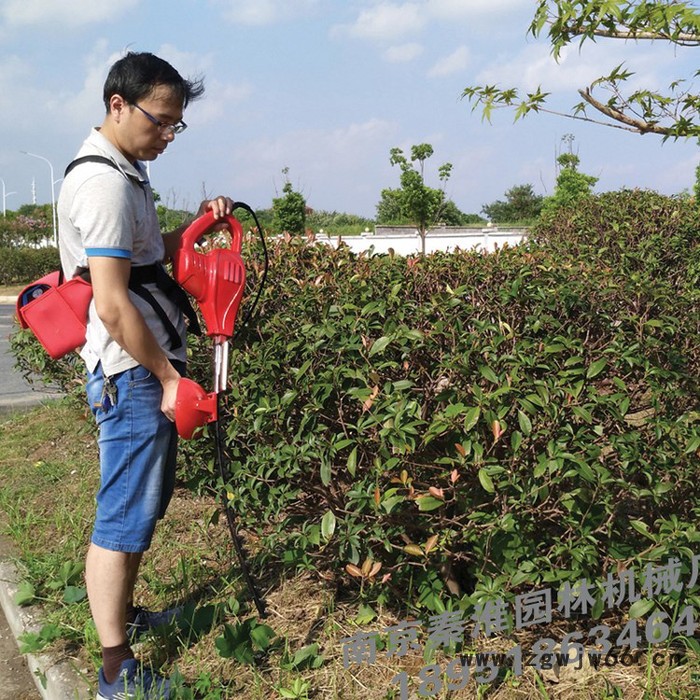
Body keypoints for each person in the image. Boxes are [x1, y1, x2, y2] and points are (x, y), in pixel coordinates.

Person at [57, 51, 233, 700]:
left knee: (138, 508)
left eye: (176, 126)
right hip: (131, 374)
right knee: (122, 518)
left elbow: (145, 262)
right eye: (161, 122)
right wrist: (166, 379)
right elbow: (110, 301)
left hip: (139, 371)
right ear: (118, 106)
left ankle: (124, 618)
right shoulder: (103, 183)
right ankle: (114, 669)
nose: (167, 135)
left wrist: (196, 225)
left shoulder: (124, 172)